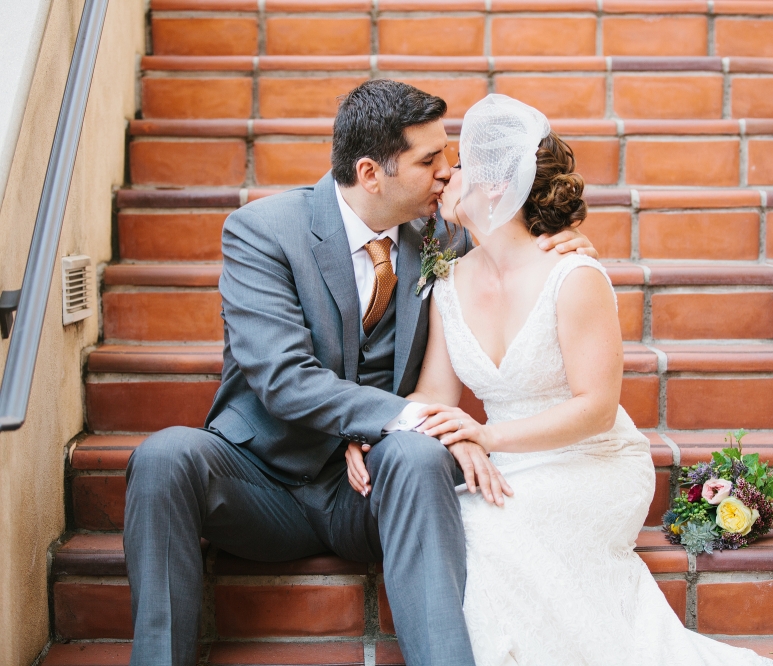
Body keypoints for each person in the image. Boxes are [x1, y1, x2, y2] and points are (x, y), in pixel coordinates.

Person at [122, 81, 595, 666]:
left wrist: (561, 246)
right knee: (164, 456)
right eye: (430, 161)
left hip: (375, 491)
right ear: (371, 173)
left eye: (448, 155)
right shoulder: (263, 231)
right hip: (265, 482)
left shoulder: (444, 232)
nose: (449, 173)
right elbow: (283, 377)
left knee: (420, 455)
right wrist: (394, 416)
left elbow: (516, 246)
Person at [371, 94, 773, 665]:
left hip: (589, 459)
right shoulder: (447, 278)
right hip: (506, 464)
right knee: (458, 523)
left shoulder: (574, 275)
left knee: (490, 534)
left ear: (495, 186)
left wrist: (486, 436)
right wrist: (383, 426)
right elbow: (435, 395)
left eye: (458, 165)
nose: (444, 176)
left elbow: (595, 406)